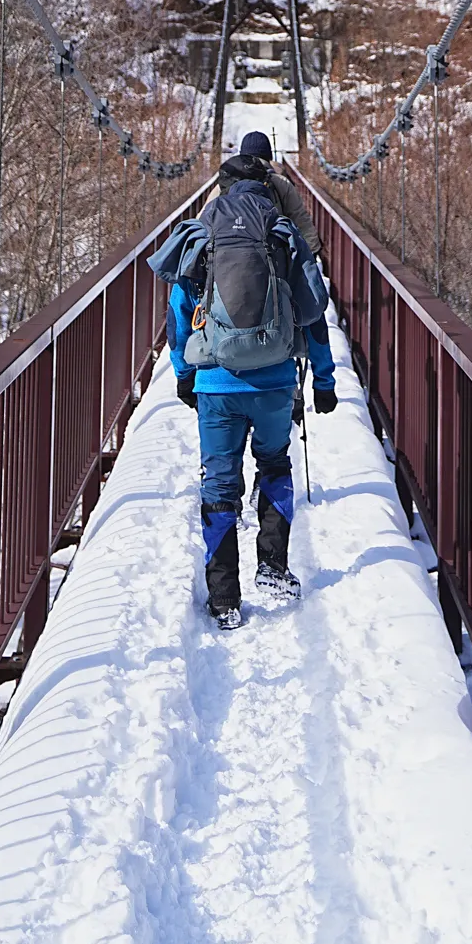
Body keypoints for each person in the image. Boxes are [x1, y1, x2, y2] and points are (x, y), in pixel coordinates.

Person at [164, 131, 337, 628]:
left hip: (216, 384)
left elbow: (178, 311)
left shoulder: (203, 231)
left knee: (219, 483)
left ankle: (224, 600)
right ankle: (274, 566)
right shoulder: (281, 231)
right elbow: (313, 314)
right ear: (267, 183)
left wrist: (183, 373)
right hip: (276, 383)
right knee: (275, 464)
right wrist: (323, 382)